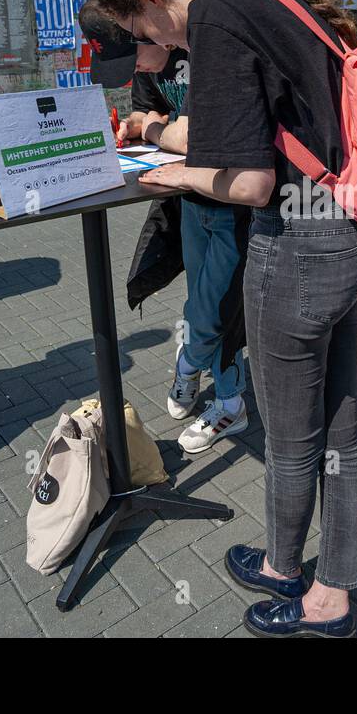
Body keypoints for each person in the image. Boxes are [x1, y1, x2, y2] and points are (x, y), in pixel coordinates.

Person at [95, 0, 357, 638]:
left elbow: (249, 182)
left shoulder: (216, 16)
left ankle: (300, 582)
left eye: (139, 30)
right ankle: (334, 581)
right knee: (340, 427)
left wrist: (177, 173)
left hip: (297, 249)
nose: (158, 46)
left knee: (291, 436)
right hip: (347, 229)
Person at [118, 41, 252, 455]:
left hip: (236, 199)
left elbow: (197, 132)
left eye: (138, 54)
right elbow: (148, 114)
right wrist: (140, 124)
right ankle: (227, 395)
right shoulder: (146, 63)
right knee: (202, 298)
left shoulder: (207, 45)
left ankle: (192, 364)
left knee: (218, 311)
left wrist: (159, 129)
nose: (137, 67)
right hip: (190, 196)